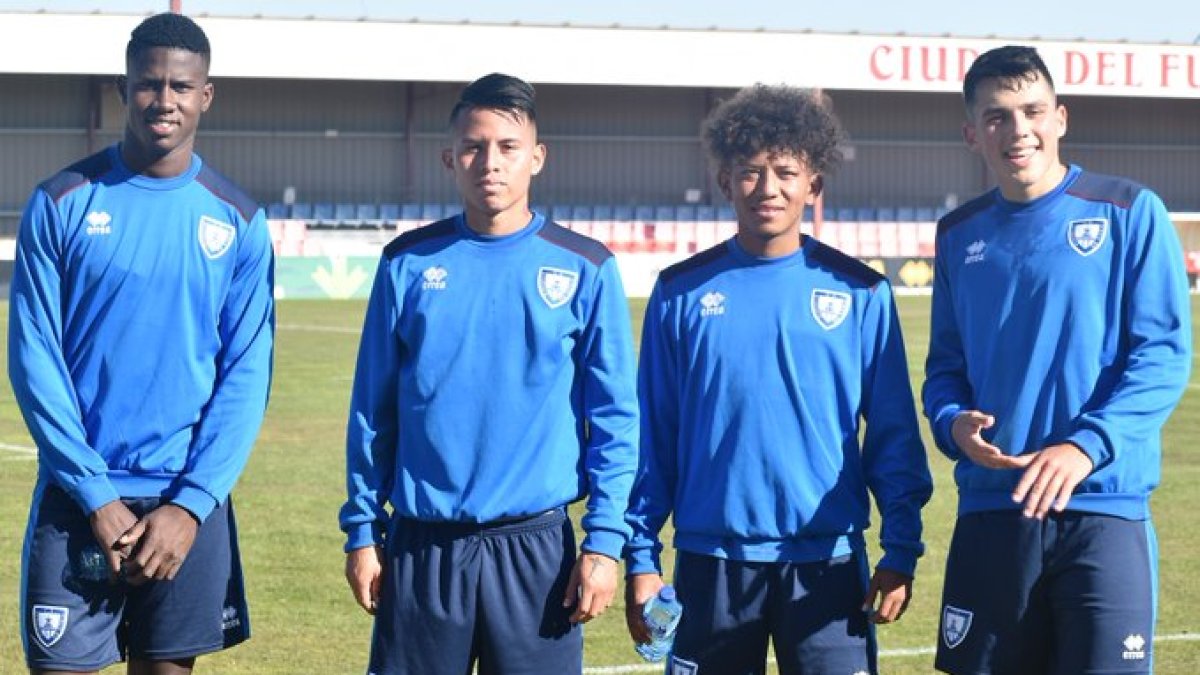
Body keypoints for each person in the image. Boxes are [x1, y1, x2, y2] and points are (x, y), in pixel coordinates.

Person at [623, 84, 933, 675]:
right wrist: (640, 554)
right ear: (724, 181)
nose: (768, 188)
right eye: (750, 171)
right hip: (710, 559)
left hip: (827, 562)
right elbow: (653, 439)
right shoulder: (680, 292)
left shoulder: (859, 292)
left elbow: (892, 433)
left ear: (813, 184)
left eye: (786, 171)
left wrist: (902, 546)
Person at [339, 73, 638, 675]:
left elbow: (614, 422)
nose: (490, 162)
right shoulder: (406, 263)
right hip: (424, 546)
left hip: (536, 551)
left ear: (537, 157)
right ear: (451, 157)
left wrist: (604, 543)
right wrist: (362, 531)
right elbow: (374, 413)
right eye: (474, 146)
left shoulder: (586, 268)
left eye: (508, 146)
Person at [9, 12, 274, 675]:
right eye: (149, 84)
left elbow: (246, 372)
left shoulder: (237, 221)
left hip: (187, 505)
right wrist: (97, 496)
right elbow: (33, 355)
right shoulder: (62, 202)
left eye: (181, 87)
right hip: (79, 500)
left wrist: (189, 505)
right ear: (122, 90)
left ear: (205, 94)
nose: (165, 100)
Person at [923, 45, 1192, 674]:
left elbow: (1161, 357)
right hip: (994, 510)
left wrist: (1084, 447)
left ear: (1061, 118)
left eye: (1032, 111)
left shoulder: (1128, 211)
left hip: (1101, 508)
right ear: (972, 134)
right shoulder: (958, 234)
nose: (1018, 130)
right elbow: (944, 368)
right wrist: (953, 423)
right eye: (997, 116)